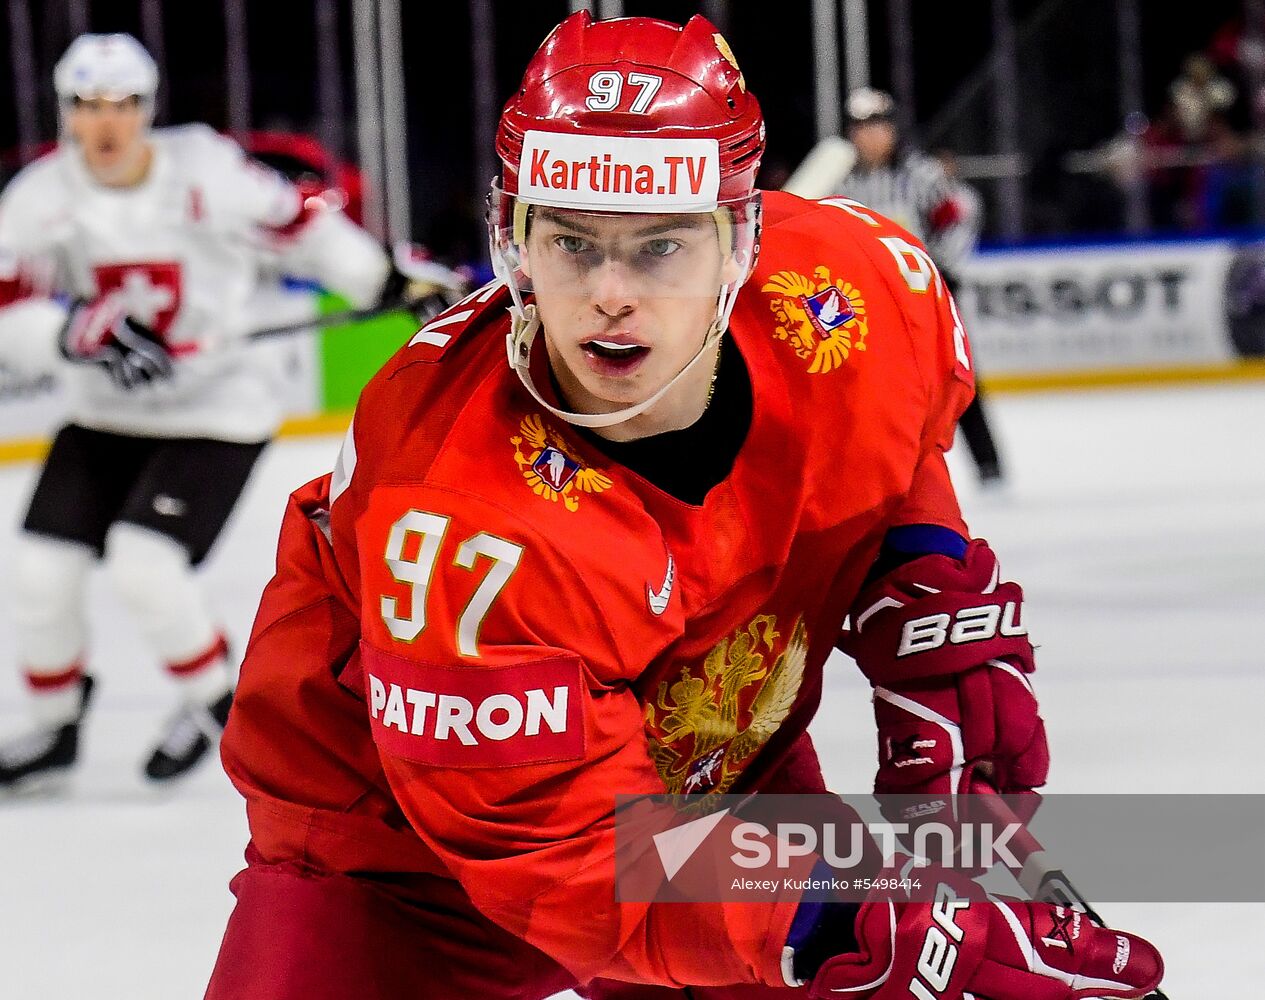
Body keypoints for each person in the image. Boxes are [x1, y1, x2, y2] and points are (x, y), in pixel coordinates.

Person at [205, 13, 1164, 999]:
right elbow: (578, 855)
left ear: (738, 242)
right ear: (516, 240)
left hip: (715, 768)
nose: (609, 295)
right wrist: (850, 910)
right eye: (571, 241)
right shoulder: (454, 511)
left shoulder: (848, 288)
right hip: (399, 863)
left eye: (660, 246)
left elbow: (886, 435)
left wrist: (917, 584)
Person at [0, 33, 428, 789]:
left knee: (146, 566)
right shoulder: (38, 199)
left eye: (123, 105)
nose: (106, 125)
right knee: (39, 572)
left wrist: (378, 280)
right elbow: (8, 313)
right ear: (66, 112)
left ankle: (213, 702)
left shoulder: (207, 171)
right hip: (104, 412)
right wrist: (73, 334)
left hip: (218, 406)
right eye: (89, 107)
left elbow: (304, 227)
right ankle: (54, 724)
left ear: (146, 108)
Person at [804, 88, 1006, 487]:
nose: (871, 136)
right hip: (866, 299)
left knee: (954, 375)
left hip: (923, 295)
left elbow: (960, 214)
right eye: (861, 128)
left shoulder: (922, 175)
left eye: (878, 126)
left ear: (893, 130)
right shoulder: (840, 181)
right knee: (864, 385)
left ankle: (988, 464)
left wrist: (942, 267)